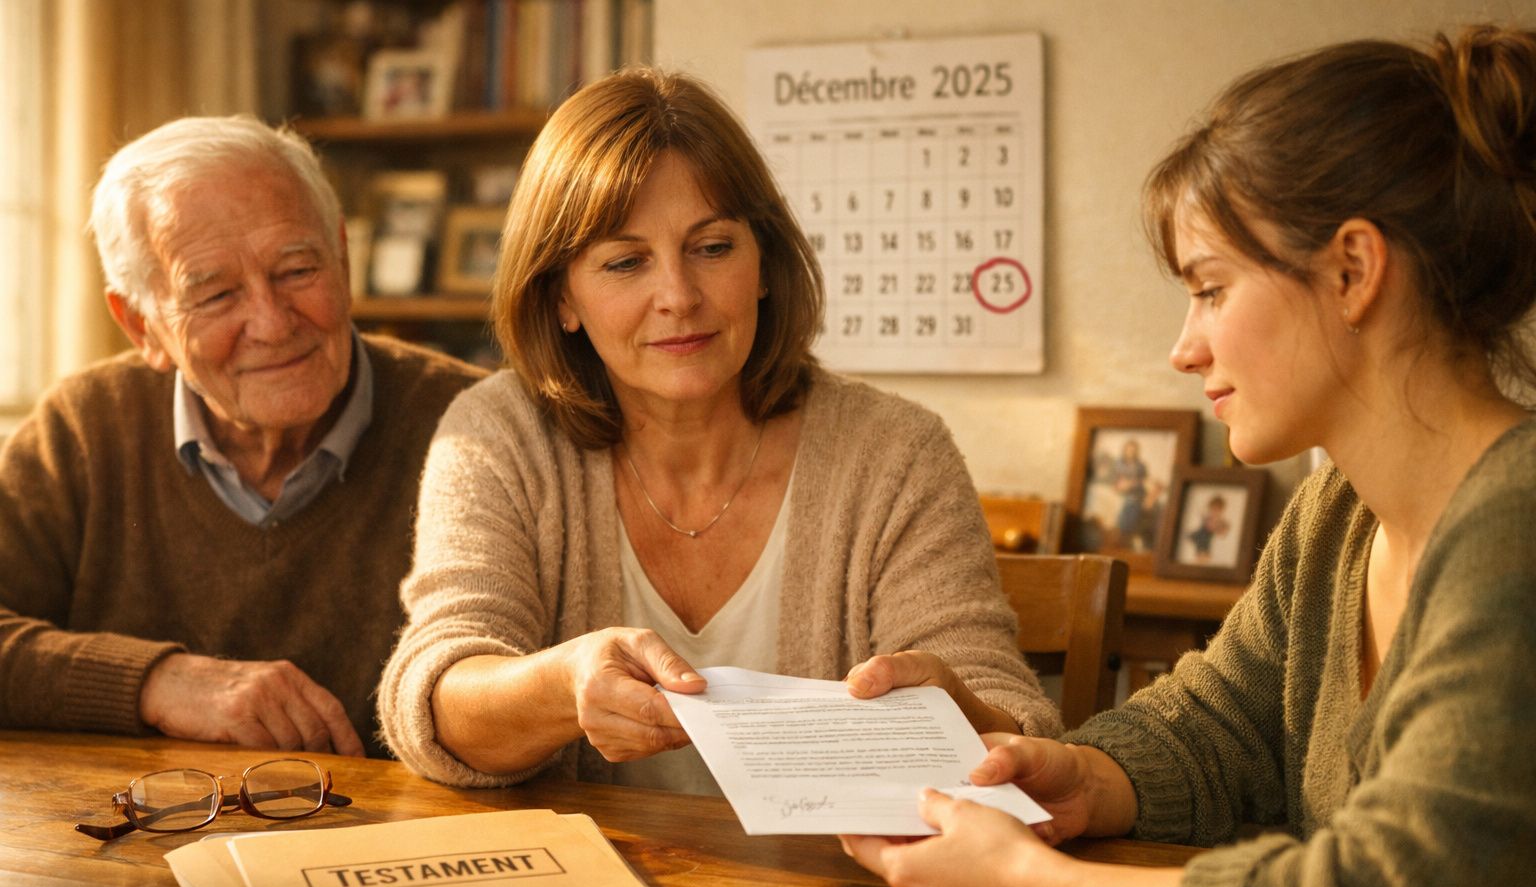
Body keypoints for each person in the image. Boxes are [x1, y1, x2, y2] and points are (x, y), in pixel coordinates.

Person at [842, 25, 1536, 887]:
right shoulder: (1336, 515)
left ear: (1351, 271)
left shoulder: (1515, 528)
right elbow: (1224, 722)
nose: (1183, 346)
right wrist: (1081, 776)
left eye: (1210, 288)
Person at [378, 68, 1060, 791]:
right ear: (561, 298)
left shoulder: (895, 453)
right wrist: (562, 687)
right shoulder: (496, 436)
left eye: (712, 248)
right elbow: (436, 691)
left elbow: (1013, 723)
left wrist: (960, 710)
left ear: (763, 263)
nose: (678, 296)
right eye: (625, 261)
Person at [0, 115, 484, 756]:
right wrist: (159, 681)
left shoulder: (471, 422)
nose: (272, 323)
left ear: (342, 256)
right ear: (141, 325)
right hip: (131, 838)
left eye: (296, 271)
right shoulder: (85, 427)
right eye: (217, 294)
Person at [1184, 493, 1228, 561]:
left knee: (1204, 552)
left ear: (1221, 510)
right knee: (1200, 552)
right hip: (1199, 535)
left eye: (1217, 510)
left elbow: (1222, 532)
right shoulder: (1208, 518)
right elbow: (1208, 526)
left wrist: (1218, 527)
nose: (1214, 512)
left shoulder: (1220, 521)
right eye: (1213, 509)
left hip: (1206, 540)